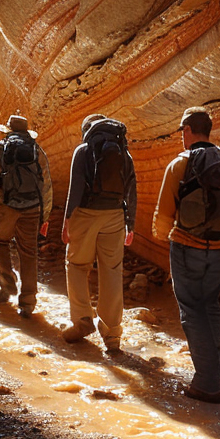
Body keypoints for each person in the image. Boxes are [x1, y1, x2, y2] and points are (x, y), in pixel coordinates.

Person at [153, 106, 220, 404]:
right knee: (209, 304)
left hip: (187, 246)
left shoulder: (180, 163)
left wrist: (165, 236)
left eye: (183, 131)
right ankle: (216, 362)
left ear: (188, 130)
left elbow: (164, 214)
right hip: (219, 247)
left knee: (191, 309)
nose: (182, 136)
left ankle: (208, 383)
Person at [61, 113, 137, 353]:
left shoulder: (83, 151)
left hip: (86, 214)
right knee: (112, 271)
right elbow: (131, 190)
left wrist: (66, 221)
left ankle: (83, 320)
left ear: (87, 131)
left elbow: (75, 187)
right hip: (115, 216)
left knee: (76, 265)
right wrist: (130, 224)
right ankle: (112, 334)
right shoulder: (124, 154)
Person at [0, 114, 52, 317]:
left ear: (9, 129)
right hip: (32, 207)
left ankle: (7, 283)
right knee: (28, 252)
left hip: (6, 205)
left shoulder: (1, 147)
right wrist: (45, 216)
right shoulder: (36, 149)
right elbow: (46, 185)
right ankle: (28, 302)